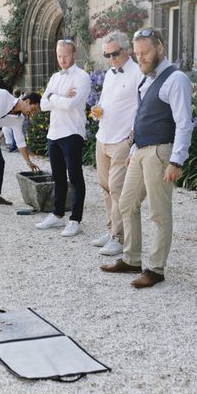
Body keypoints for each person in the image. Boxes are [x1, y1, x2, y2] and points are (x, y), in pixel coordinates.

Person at [100, 28, 193, 288]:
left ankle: (156, 269)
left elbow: (184, 123)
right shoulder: (146, 80)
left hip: (161, 152)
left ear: (160, 48)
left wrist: (177, 161)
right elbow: (141, 118)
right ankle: (131, 259)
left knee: (159, 213)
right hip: (140, 151)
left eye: (146, 52)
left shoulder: (176, 79)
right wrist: (132, 150)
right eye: (138, 53)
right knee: (127, 203)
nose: (141, 58)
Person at [89, 31, 142, 256]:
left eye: (115, 54)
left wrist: (132, 138)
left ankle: (119, 239)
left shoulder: (138, 73)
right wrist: (96, 111)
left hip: (122, 139)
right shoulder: (110, 73)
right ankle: (111, 231)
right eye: (107, 55)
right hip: (103, 137)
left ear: (126, 49)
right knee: (105, 189)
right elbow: (104, 102)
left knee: (118, 189)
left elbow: (142, 108)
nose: (112, 59)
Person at [36, 39, 91, 237]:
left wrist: (53, 97)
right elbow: (42, 104)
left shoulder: (82, 77)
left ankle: (75, 220)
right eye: (59, 56)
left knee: (75, 177)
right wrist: (59, 95)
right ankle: (57, 215)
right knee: (58, 177)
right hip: (54, 133)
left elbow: (71, 104)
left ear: (73, 54)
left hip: (72, 132)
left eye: (65, 56)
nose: (62, 60)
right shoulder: (55, 77)